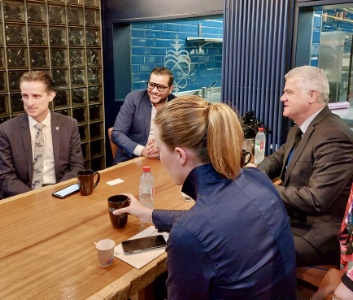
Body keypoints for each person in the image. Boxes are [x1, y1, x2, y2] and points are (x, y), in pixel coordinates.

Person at [113, 95, 297, 299]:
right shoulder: (258, 179)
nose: (160, 157)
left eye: (160, 150)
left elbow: (197, 230)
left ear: (180, 155)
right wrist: (148, 214)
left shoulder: (190, 234)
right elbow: (209, 226)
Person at [256, 66, 353, 266]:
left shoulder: (334, 135)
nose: (282, 98)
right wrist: (253, 174)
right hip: (295, 220)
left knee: (248, 246)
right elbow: (277, 158)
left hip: (319, 234)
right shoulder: (300, 128)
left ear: (312, 95)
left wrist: (262, 189)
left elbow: (316, 200)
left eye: (288, 92)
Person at [0, 71, 84, 199]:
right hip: (24, 196)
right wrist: (34, 197)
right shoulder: (7, 130)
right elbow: (5, 176)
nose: (29, 103)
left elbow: (77, 167)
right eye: (25, 96)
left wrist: (58, 193)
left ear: (51, 95)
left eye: (36, 96)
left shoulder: (68, 125)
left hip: (60, 192)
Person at [111, 67, 175, 164]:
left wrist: (163, 147)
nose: (154, 91)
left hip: (164, 161)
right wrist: (143, 151)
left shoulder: (177, 105)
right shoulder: (133, 99)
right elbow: (117, 134)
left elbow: (183, 138)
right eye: (151, 85)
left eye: (161, 87)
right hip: (133, 159)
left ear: (170, 89)